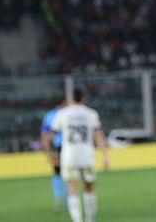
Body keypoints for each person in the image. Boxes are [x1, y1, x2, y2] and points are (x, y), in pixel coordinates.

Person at [51, 88, 109, 222]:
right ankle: (89, 219)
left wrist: (53, 153)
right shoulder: (91, 114)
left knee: (72, 189)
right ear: (83, 98)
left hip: (69, 155)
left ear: (71, 98)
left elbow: (52, 135)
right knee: (89, 188)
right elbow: (98, 135)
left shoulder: (62, 114)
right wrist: (105, 155)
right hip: (87, 155)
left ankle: (77, 220)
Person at [41, 99, 68, 211]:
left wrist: (48, 151)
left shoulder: (49, 115)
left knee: (57, 173)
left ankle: (59, 199)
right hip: (63, 147)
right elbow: (46, 134)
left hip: (56, 148)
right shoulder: (66, 114)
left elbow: (44, 134)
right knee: (67, 173)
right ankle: (67, 200)